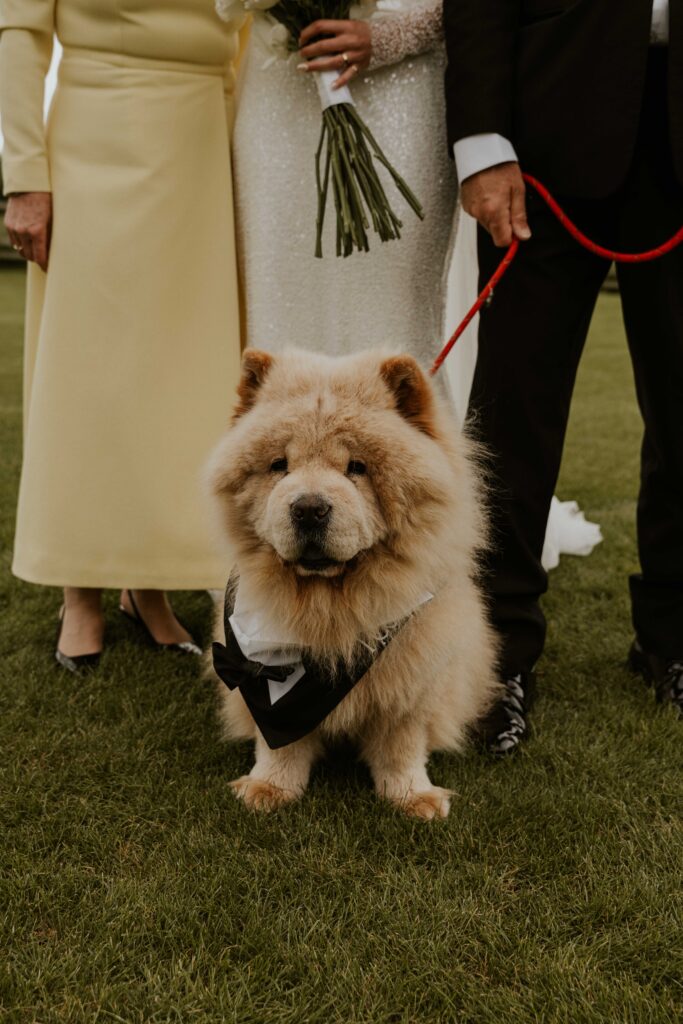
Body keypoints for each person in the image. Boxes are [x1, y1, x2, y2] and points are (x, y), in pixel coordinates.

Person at [444, 0, 683, 753]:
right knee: (513, 407)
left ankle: (671, 641)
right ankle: (494, 657)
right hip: (548, 123)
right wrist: (480, 142)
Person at [0, 0, 244, 671]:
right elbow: (20, 34)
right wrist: (24, 176)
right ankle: (79, 592)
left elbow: (245, 34)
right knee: (93, 371)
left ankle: (149, 588)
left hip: (204, 146)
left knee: (182, 379)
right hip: (97, 144)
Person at [219, 0, 457, 373]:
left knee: (390, 319)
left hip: (404, 85)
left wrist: (393, 37)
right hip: (279, 81)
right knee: (280, 312)